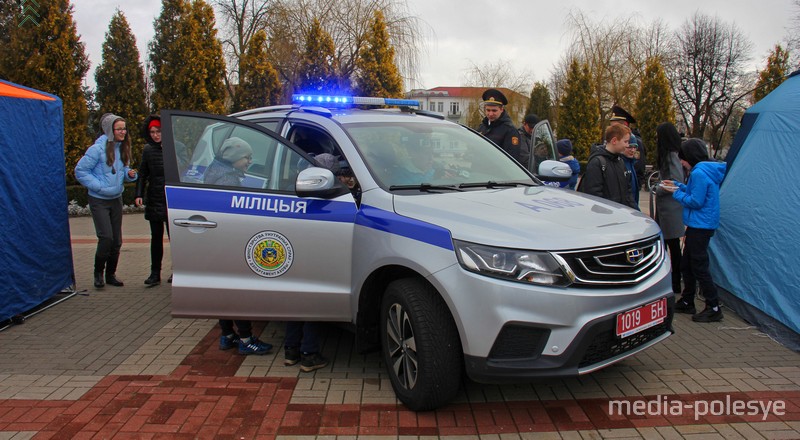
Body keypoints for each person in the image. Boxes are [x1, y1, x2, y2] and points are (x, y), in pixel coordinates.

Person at [205, 137, 274, 354]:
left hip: (216, 244)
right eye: (247, 157)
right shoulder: (228, 181)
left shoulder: (215, 172)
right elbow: (236, 215)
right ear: (234, 158)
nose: (250, 161)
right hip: (230, 243)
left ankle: (227, 335)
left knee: (224, 292)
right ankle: (246, 339)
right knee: (239, 291)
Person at [661, 138, 727, 323]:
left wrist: (675, 193)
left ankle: (713, 306)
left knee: (698, 266)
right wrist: (679, 186)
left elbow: (695, 201)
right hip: (702, 225)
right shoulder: (705, 170)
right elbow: (695, 192)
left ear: (690, 157)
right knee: (687, 264)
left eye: (683, 159)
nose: (681, 162)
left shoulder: (698, 173)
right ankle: (688, 300)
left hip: (700, 226)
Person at [75, 113, 138, 289]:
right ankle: (98, 273)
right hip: (99, 200)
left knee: (117, 240)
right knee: (106, 238)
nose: (123, 132)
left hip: (116, 199)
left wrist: (129, 174)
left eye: (124, 128)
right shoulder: (96, 149)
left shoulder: (122, 147)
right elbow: (80, 171)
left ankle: (111, 274)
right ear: (110, 130)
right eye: (119, 129)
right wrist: (99, 187)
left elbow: (122, 169)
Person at [135, 116, 170, 286]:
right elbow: (143, 173)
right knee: (156, 238)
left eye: (159, 131)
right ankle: (155, 273)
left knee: (175, 238)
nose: (156, 135)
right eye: (152, 132)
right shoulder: (148, 150)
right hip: (155, 198)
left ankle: (177, 271)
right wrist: (138, 193)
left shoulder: (175, 148)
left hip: (171, 198)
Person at [654, 122, 686, 295]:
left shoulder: (671, 156)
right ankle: (672, 281)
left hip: (670, 209)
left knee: (672, 246)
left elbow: (675, 182)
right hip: (667, 209)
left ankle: (674, 283)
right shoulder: (669, 154)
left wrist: (658, 188)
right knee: (669, 245)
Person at [578, 124, 637, 209]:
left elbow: (628, 191)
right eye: (626, 141)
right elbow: (594, 195)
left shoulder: (620, 161)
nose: (627, 145)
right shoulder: (597, 163)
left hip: (621, 214)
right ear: (614, 141)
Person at [477, 88, 529, 165]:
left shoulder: (510, 131)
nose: (490, 114)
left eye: (494, 110)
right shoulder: (482, 127)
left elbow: (511, 160)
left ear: (501, 109)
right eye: (488, 110)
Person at [608, 104, 647, 189]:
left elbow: (638, 165)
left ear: (625, 125)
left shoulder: (635, 141)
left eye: (615, 126)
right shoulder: (613, 139)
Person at [620, 134, 640, 210]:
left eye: (635, 147)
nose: (633, 150)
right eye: (630, 147)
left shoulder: (631, 162)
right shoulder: (621, 164)